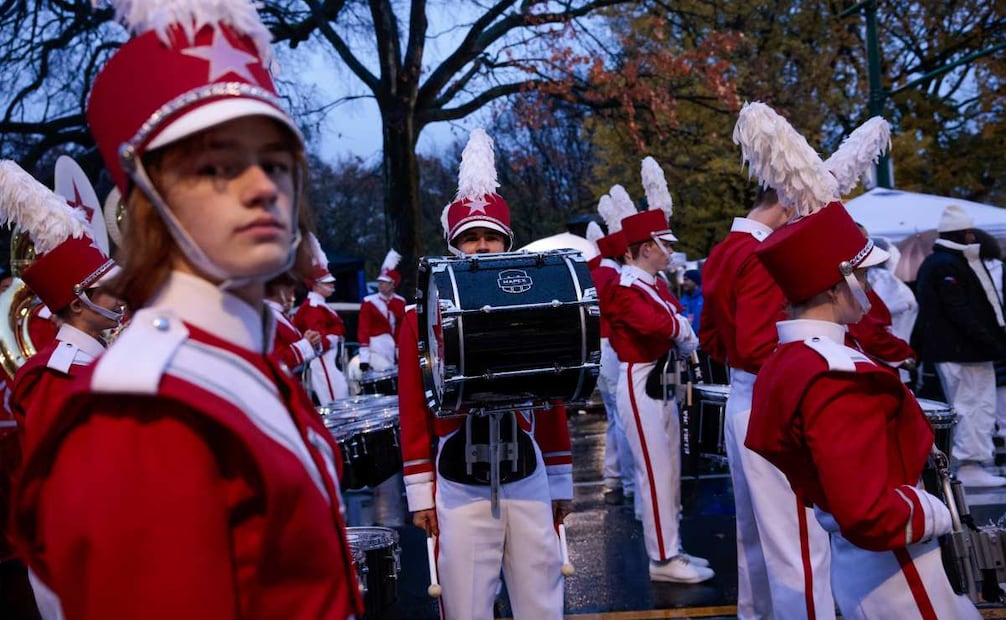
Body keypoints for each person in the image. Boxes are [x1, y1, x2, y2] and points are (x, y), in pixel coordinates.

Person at [10, 1, 363, 617]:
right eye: (218, 167)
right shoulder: (144, 419)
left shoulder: (241, 362)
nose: (262, 186)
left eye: (276, 162)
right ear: (149, 202)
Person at [747, 201, 980, 620]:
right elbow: (868, 513)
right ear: (836, 286)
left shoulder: (795, 359)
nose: (870, 285)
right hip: (896, 563)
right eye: (863, 274)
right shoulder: (835, 373)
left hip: (864, 559)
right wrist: (937, 513)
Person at [399, 127, 573, 619]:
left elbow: (553, 385)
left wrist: (559, 479)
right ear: (454, 246)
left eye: (489, 237)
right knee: (466, 600)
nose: (480, 246)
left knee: (542, 592)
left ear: (506, 242)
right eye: (469, 238)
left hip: (528, 470)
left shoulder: (537, 299)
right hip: (458, 477)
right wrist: (419, 492)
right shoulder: (420, 311)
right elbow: (412, 404)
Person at [699, 185, 833, 618]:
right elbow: (760, 344)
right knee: (798, 541)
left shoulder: (724, 249)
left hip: (744, 395)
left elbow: (712, 337)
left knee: (758, 536)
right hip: (771, 398)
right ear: (788, 203)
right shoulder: (761, 252)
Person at [605, 204, 714, 584]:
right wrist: (680, 328)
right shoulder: (626, 286)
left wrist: (679, 327)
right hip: (641, 378)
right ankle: (662, 556)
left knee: (669, 471)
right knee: (655, 471)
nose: (669, 250)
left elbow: (672, 318)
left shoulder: (653, 284)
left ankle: (673, 547)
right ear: (645, 247)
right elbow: (655, 324)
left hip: (662, 375)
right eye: (663, 244)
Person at [912, 205, 1006, 487]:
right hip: (962, 352)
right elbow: (959, 310)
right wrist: (991, 341)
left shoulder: (944, 262)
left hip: (965, 351)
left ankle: (972, 461)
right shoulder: (945, 265)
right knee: (971, 406)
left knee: (977, 405)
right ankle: (968, 463)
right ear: (963, 234)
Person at [592, 190, 637, 507]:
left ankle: (614, 475)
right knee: (623, 416)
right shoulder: (614, 275)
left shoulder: (596, 272)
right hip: (611, 347)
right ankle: (632, 482)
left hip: (599, 348)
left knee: (613, 415)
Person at [294, 235, 349, 404]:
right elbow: (318, 342)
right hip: (322, 360)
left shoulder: (318, 305)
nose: (332, 286)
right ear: (317, 284)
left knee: (340, 395)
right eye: (328, 283)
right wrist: (334, 337)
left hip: (328, 359)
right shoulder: (313, 307)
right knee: (335, 402)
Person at [357, 249, 406, 373]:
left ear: (393, 284)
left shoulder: (400, 302)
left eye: (385, 282)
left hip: (391, 348)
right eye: (380, 282)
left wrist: (400, 352)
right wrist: (364, 358)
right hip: (375, 346)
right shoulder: (369, 302)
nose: (381, 284)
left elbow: (400, 329)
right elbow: (364, 330)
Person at [265, 272, 321, 374]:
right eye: (288, 286)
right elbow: (276, 360)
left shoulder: (278, 314)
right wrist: (306, 344)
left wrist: (311, 341)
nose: (293, 290)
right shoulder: (267, 317)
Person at [679, 269, 703, 334]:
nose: (684, 283)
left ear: (695, 281)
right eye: (684, 280)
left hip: (703, 339)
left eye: (686, 280)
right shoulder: (683, 300)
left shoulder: (704, 297)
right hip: (687, 340)